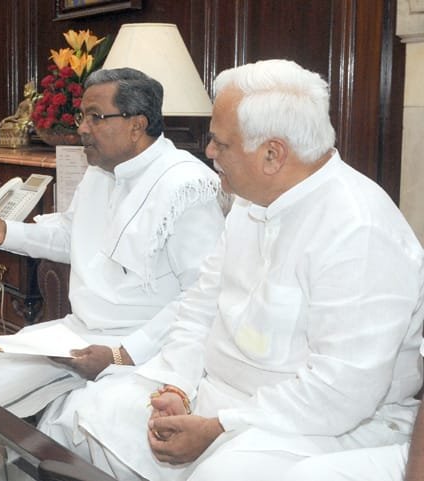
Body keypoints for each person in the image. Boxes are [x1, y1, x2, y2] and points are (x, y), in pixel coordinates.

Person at [36, 58, 424, 481]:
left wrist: (220, 426)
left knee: (225, 473)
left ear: (272, 154)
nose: (209, 152)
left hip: (322, 425)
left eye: (222, 143)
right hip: (215, 395)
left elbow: (341, 393)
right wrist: (176, 388)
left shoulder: (358, 228)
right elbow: (199, 309)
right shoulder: (250, 202)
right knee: (89, 411)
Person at [0, 67, 224, 418]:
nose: (82, 128)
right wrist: (6, 233)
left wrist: (123, 353)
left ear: (137, 124)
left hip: (147, 346)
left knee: (84, 416)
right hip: (80, 334)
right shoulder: (101, 171)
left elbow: (201, 297)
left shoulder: (186, 186)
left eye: (95, 117)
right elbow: (71, 235)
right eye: (82, 116)